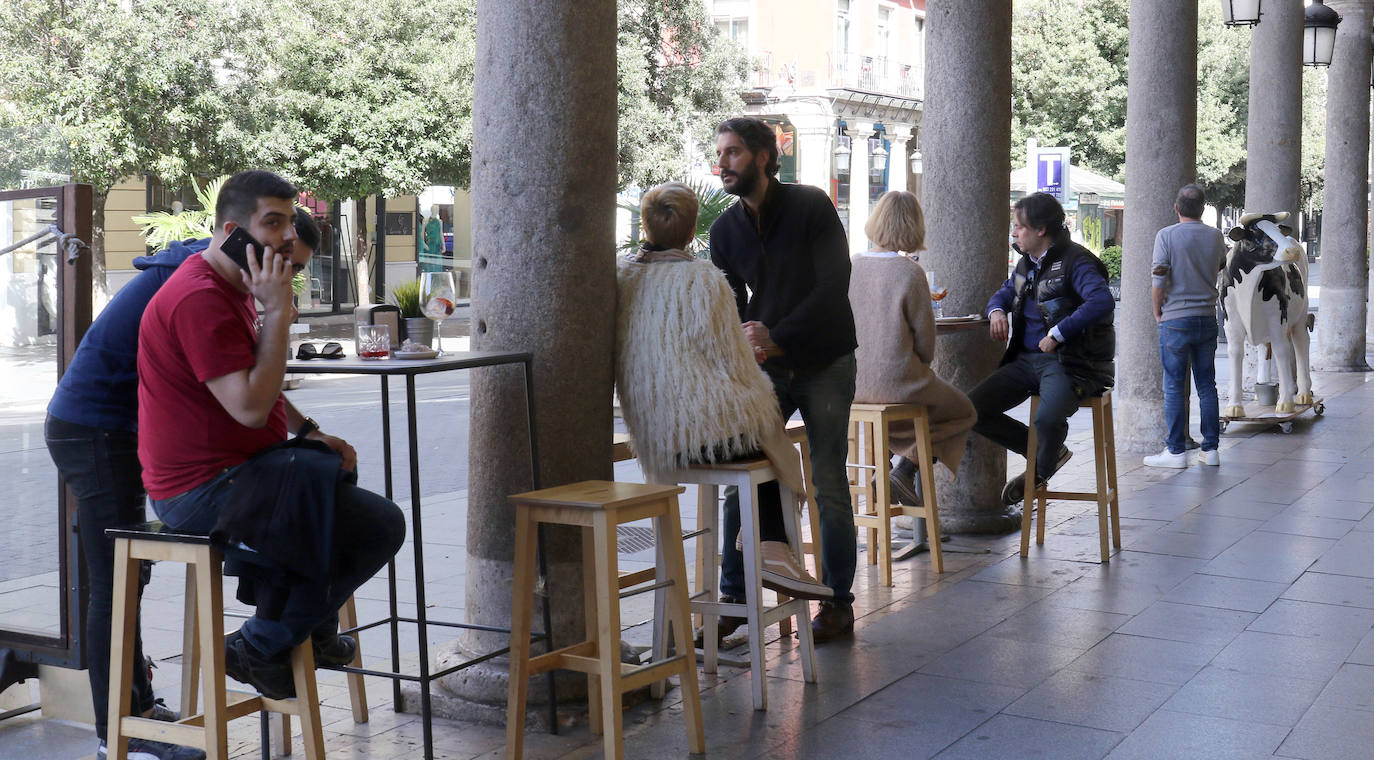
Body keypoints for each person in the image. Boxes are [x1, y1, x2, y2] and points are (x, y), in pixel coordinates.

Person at [137, 170, 406, 701]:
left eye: (289, 221)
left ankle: (293, 633)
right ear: (233, 228)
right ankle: (265, 643)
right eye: (273, 222)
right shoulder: (201, 297)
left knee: (329, 476)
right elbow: (249, 409)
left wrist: (309, 429)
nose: (286, 236)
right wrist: (280, 310)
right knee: (376, 525)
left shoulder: (233, 284)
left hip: (242, 472)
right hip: (199, 490)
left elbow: (252, 388)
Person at [614, 182, 831, 623]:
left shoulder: (621, 278)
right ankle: (771, 547)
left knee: (761, 431)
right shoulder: (704, 280)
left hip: (655, 438)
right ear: (693, 229)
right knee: (769, 433)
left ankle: (752, 568)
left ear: (645, 223)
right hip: (703, 437)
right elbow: (736, 363)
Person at [709, 116, 859, 642]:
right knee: (741, 478)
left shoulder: (811, 205)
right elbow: (728, 304)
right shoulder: (724, 230)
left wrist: (778, 335)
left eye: (732, 153)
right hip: (768, 370)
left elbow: (834, 284)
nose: (722, 163)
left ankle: (838, 602)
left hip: (826, 360)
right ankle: (736, 599)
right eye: (720, 153)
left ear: (764, 157)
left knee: (827, 484)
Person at [969, 192, 1115, 505]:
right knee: (972, 410)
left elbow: (1101, 301)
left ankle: (1040, 469)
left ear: (1040, 230)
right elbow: (1003, 295)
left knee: (1048, 419)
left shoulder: (1077, 261)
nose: (1014, 233)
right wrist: (996, 311)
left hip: (1068, 362)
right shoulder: (1026, 265)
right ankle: (1044, 452)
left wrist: (1059, 333)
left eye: (1019, 227)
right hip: (1024, 362)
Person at [848, 191, 976, 529]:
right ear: (913, 226)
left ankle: (898, 468)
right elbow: (926, 345)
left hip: (853, 386)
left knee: (904, 418)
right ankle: (905, 467)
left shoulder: (852, 265)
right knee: (963, 410)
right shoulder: (910, 273)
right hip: (900, 384)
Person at [1144, 184, 1227, 468]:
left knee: (1174, 386)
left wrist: (1157, 312)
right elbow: (1219, 266)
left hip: (1175, 320)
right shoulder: (1216, 237)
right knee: (1207, 385)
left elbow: (1159, 280)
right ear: (1203, 209)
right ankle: (1211, 449)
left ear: (1176, 207)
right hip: (1206, 317)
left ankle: (1175, 451)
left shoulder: (1165, 236)